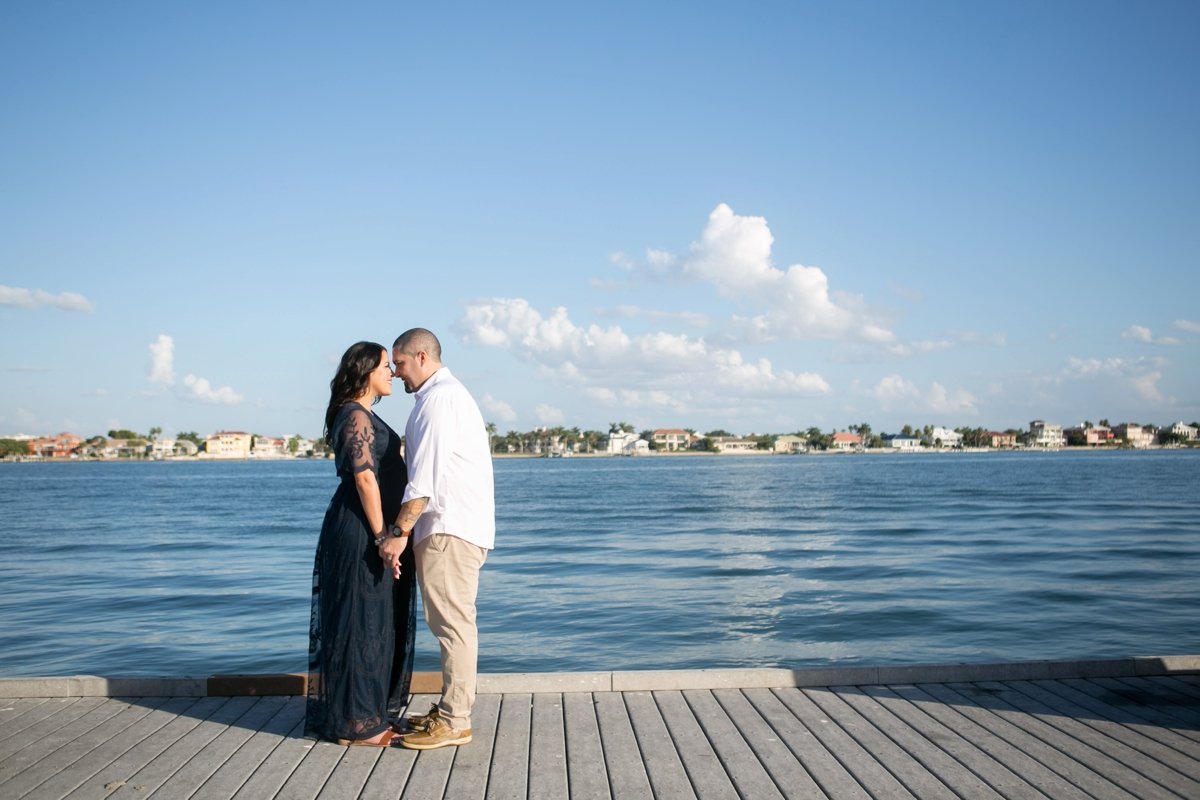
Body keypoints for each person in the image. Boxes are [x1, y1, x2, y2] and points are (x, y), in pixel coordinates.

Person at [379, 328, 495, 751]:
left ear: (423, 357)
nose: (395, 373)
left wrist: (398, 534)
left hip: (449, 527)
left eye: (402, 363)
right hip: (452, 526)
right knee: (448, 623)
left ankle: (455, 720)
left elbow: (423, 481)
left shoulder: (440, 400)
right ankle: (450, 710)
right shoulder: (438, 398)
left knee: (453, 626)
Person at [305, 341, 417, 747]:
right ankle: (357, 726)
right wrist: (383, 535)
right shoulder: (355, 415)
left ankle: (367, 714)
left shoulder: (364, 414)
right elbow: (365, 477)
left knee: (375, 621)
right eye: (386, 366)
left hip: (369, 527)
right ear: (366, 370)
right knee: (359, 621)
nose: (391, 373)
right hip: (359, 530)